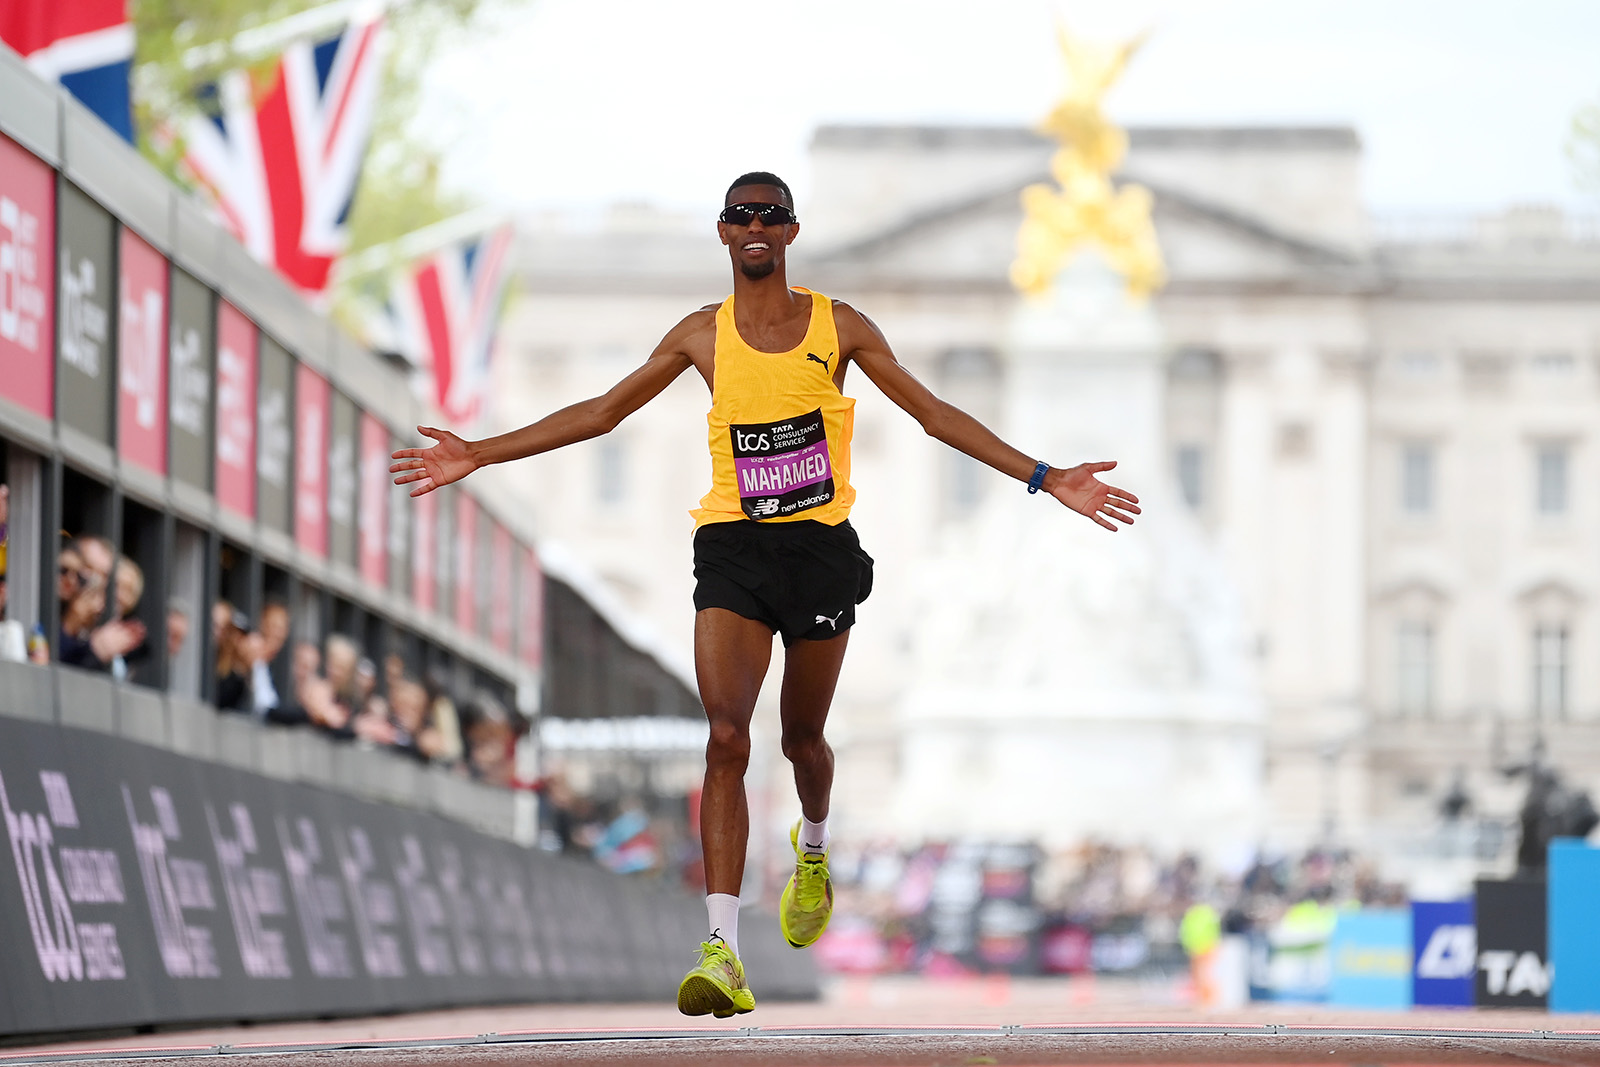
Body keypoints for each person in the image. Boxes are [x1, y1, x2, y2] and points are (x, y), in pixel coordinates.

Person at [390, 171, 1140, 1017]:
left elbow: (933, 415)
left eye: (770, 216)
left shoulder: (840, 326)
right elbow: (604, 412)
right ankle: (722, 946)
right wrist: (480, 452)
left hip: (818, 553)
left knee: (803, 739)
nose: (755, 227)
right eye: (740, 216)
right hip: (733, 548)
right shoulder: (700, 335)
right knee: (725, 735)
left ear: (789, 233)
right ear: (722, 233)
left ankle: (813, 847)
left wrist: (1046, 477)